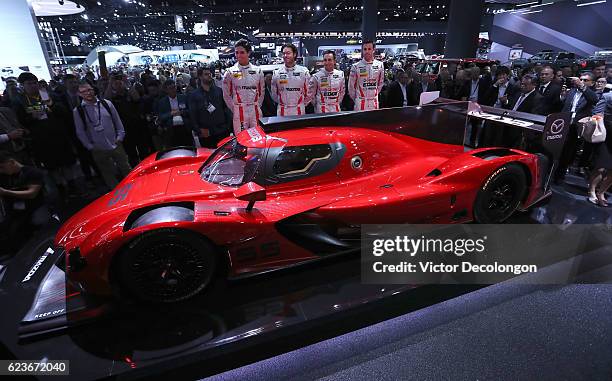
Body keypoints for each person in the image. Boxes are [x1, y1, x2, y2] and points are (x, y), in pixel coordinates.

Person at [12, 72, 78, 195]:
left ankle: (73, 185)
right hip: (41, 139)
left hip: (59, 135)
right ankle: (61, 189)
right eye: (29, 83)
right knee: (52, 167)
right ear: (22, 85)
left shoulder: (48, 95)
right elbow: (20, 120)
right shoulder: (19, 101)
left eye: (35, 83)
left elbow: (64, 111)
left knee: (67, 163)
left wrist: (51, 104)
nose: (33, 86)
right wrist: (32, 117)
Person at [73, 82, 131, 190]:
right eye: (84, 91)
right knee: (108, 174)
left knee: (126, 168)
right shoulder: (78, 111)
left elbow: (117, 121)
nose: (88, 93)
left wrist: (120, 137)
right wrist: (90, 146)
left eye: (89, 90)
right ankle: (117, 196)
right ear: (79, 94)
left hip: (115, 143)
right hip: (98, 148)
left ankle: (133, 190)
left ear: (93, 90)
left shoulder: (106, 104)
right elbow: (80, 132)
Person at [0, 151, 50, 253]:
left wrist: (5, 192)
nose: (1, 171)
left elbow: (32, 193)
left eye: (2, 167)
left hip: (35, 206)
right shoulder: (4, 176)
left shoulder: (32, 172)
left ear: (11, 162)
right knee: (9, 230)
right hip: (15, 210)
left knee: (41, 224)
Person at [555, 73, 599, 183]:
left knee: (569, 151)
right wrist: (562, 96)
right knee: (557, 148)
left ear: (592, 83)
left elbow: (594, 100)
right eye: (580, 79)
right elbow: (564, 104)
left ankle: (560, 175)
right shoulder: (573, 91)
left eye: (585, 80)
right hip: (563, 122)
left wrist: (581, 86)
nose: (581, 81)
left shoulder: (591, 94)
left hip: (576, 126)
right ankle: (552, 170)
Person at [222, 39, 265, 135]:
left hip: (255, 110)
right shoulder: (230, 72)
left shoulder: (258, 71)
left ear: (248, 53)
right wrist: (235, 108)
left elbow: (262, 92)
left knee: (258, 137)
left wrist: (257, 106)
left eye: (242, 52)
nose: (238, 55)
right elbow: (226, 95)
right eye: (236, 52)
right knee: (241, 139)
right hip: (239, 110)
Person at [188, 66, 231, 148]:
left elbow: (226, 109)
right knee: (210, 157)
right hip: (206, 133)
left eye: (210, 74)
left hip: (222, 131)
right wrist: (199, 130)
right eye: (206, 74)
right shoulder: (194, 95)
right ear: (200, 76)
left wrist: (228, 126)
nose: (209, 76)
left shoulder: (219, 91)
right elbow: (192, 115)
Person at [271, 43, 311, 116]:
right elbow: (274, 94)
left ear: (294, 54)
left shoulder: (304, 72)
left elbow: (309, 93)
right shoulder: (277, 73)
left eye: (288, 53)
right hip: (282, 110)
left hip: (298, 110)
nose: (285, 56)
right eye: (284, 53)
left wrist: (301, 104)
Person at [589, 91, 612, 206]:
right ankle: (592, 190)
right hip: (607, 136)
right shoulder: (608, 97)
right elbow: (596, 113)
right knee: (601, 167)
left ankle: (601, 192)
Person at [348, 40, 384, 111]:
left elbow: (380, 84)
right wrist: (357, 99)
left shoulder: (380, 65)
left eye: (369, 49)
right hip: (360, 103)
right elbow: (351, 87)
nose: (367, 51)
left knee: (374, 122)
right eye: (365, 49)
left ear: (373, 50)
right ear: (362, 50)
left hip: (374, 103)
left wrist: (373, 95)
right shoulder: (355, 66)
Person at [156, 79, 193, 148]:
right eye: (170, 88)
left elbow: (190, 111)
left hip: (185, 128)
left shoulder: (183, 97)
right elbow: (161, 116)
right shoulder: (162, 102)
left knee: (188, 148)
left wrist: (181, 112)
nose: (173, 90)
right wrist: (171, 113)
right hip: (171, 130)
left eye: (174, 87)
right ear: (166, 90)